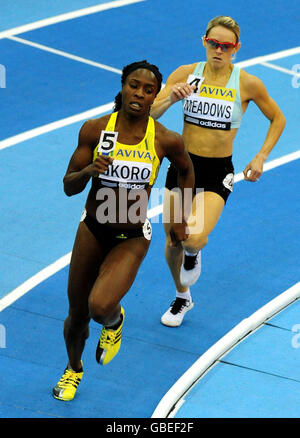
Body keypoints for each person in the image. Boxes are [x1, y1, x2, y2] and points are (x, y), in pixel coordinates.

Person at [52, 60, 195, 401]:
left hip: (131, 236)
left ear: (154, 96)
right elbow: (68, 186)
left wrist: (180, 216)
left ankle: (114, 322)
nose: (139, 93)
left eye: (148, 90)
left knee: (100, 307)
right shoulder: (95, 130)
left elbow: (187, 171)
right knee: (77, 314)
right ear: (122, 86)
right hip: (92, 229)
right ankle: (73, 369)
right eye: (134, 85)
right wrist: (89, 169)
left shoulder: (164, 140)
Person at [150, 15, 286, 327]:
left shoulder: (247, 83)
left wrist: (261, 156)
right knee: (172, 240)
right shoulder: (186, 74)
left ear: (236, 49)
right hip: (182, 167)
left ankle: (195, 252)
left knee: (192, 240)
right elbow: (150, 113)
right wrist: (171, 96)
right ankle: (182, 297)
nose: (218, 50)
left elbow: (278, 118)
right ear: (204, 42)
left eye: (226, 46)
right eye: (214, 43)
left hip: (217, 171)